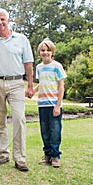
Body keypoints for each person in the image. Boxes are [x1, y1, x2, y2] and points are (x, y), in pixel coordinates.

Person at [0, 8, 34, 172]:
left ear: (8, 20)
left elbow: (28, 64)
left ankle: (19, 158)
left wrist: (31, 85)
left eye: (2, 19)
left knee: (19, 118)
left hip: (17, 82)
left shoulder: (21, 39)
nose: (0, 22)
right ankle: (3, 153)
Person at [32, 38, 66, 168]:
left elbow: (61, 86)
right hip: (42, 104)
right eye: (42, 50)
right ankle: (47, 155)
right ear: (39, 52)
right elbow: (41, 83)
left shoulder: (57, 66)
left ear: (52, 52)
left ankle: (55, 155)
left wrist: (58, 105)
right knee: (44, 130)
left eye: (48, 50)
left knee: (55, 130)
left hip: (53, 105)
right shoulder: (39, 67)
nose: (45, 52)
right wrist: (32, 91)